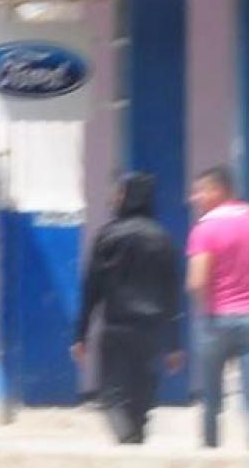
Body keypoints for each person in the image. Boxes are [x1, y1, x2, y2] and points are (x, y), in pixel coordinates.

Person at [72, 172, 185, 446]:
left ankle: (127, 438)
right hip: (150, 329)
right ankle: (136, 436)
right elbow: (172, 293)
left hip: (117, 325)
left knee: (111, 392)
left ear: (129, 196)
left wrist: (80, 334)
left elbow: (92, 287)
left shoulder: (108, 236)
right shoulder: (162, 238)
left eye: (119, 192)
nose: (114, 198)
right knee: (142, 389)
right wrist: (174, 344)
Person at [185, 166, 249, 451]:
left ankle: (211, 448)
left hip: (216, 318)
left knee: (211, 395)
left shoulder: (205, 229)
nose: (195, 198)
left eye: (200, 191)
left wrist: (205, 309)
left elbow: (197, 281)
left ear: (218, 190)